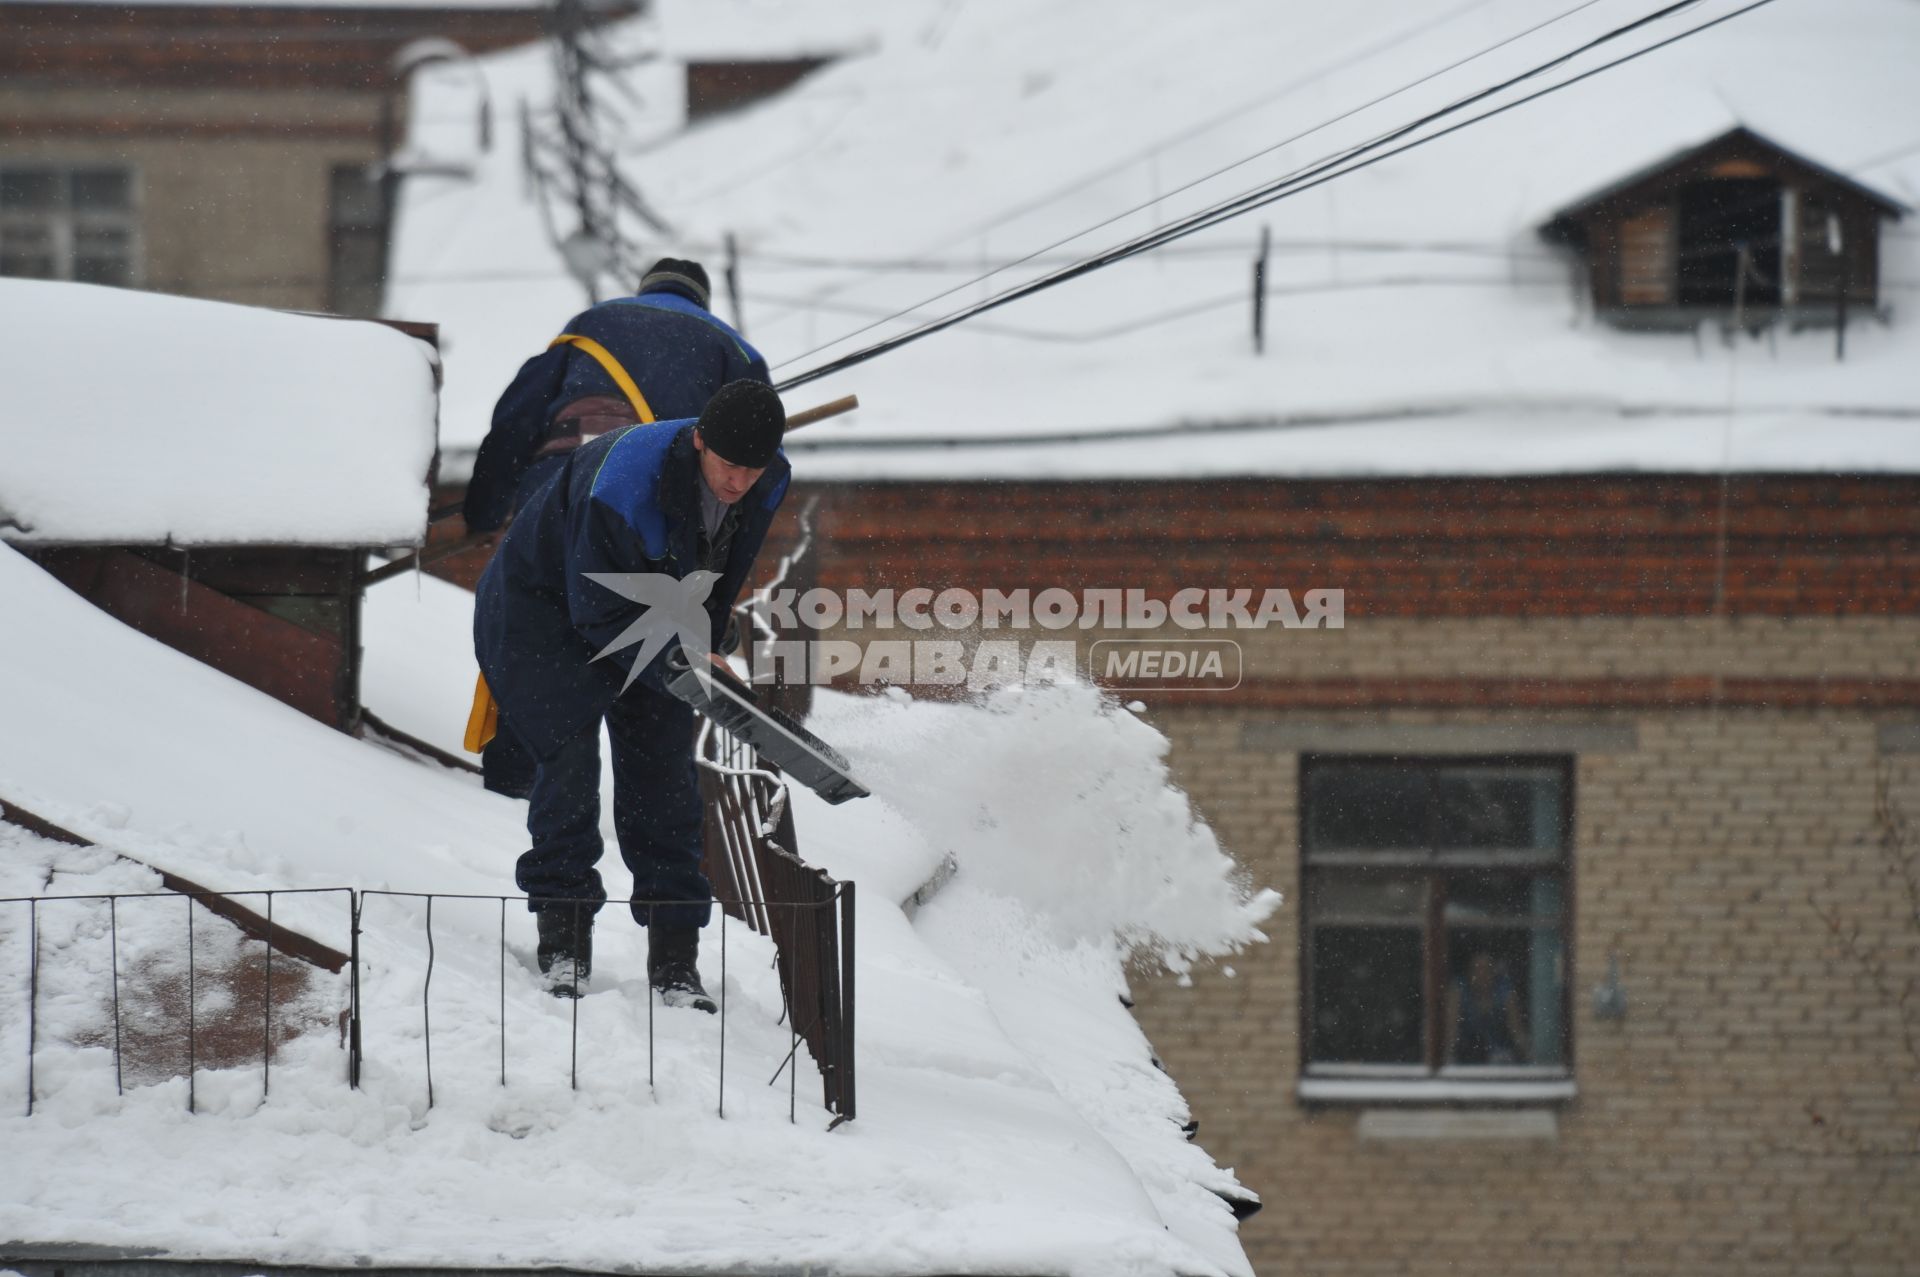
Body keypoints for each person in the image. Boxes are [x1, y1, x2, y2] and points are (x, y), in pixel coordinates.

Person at [472, 379, 790, 1007]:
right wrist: (688, 658)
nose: (738, 483)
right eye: (729, 466)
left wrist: (706, 642)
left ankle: (675, 962)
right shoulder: (621, 484)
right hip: (544, 619)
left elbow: (720, 570)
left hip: (650, 615)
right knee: (568, 769)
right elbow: (598, 612)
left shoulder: (767, 479)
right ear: (700, 440)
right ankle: (564, 945)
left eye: (752, 470)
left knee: (663, 779)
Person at [464, 257, 769, 798]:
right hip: (650, 518)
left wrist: (484, 514)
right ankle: (654, 802)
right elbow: (745, 486)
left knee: (532, 632)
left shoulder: (589, 325)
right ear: (702, 300)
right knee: (644, 637)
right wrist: (714, 614)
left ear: (645, 290)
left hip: (552, 495)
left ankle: (516, 782)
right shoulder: (735, 351)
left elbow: (515, 419)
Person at [1445, 951, 1529, 1065]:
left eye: (1486, 969)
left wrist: (1530, 1059)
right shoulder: (1460, 990)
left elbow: (1517, 1030)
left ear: (1494, 972)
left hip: (1500, 1054)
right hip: (1466, 1054)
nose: (1482, 974)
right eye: (1477, 969)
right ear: (1469, 973)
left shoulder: (1505, 992)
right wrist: (1448, 1058)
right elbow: (1451, 1029)